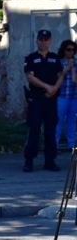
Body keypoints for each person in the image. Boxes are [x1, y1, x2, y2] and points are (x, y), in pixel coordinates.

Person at [24, 29, 65, 173]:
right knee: (33, 129)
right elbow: (30, 77)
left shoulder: (55, 58)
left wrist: (54, 89)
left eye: (46, 39)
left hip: (51, 101)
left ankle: (50, 160)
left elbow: (61, 75)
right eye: (41, 39)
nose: (43, 42)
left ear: (50, 41)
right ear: (37, 41)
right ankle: (29, 160)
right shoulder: (31, 58)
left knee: (51, 130)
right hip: (36, 99)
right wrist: (47, 87)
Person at [51, 39, 77, 152]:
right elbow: (57, 76)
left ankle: (71, 144)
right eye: (69, 49)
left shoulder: (75, 64)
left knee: (72, 121)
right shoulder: (59, 62)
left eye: (73, 50)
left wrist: (73, 70)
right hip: (61, 96)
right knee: (59, 121)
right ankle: (55, 144)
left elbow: (75, 80)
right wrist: (67, 68)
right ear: (64, 50)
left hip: (74, 96)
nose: (71, 52)